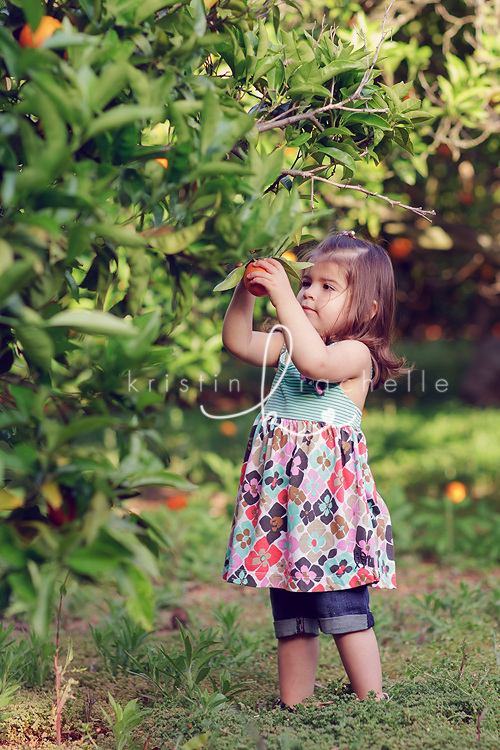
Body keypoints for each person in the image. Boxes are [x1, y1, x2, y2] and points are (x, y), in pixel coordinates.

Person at [221, 231, 405, 707]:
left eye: (327, 287)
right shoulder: (288, 349)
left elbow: (316, 361)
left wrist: (282, 298)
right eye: (305, 282)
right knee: (292, 605)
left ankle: (371, 700)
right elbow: (237, 340)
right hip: (285, 510)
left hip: (330, 514)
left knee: (342, 602)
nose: (307, 293)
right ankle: (296, 703)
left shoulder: (354, 354)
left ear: (366, 310)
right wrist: (248, 287)